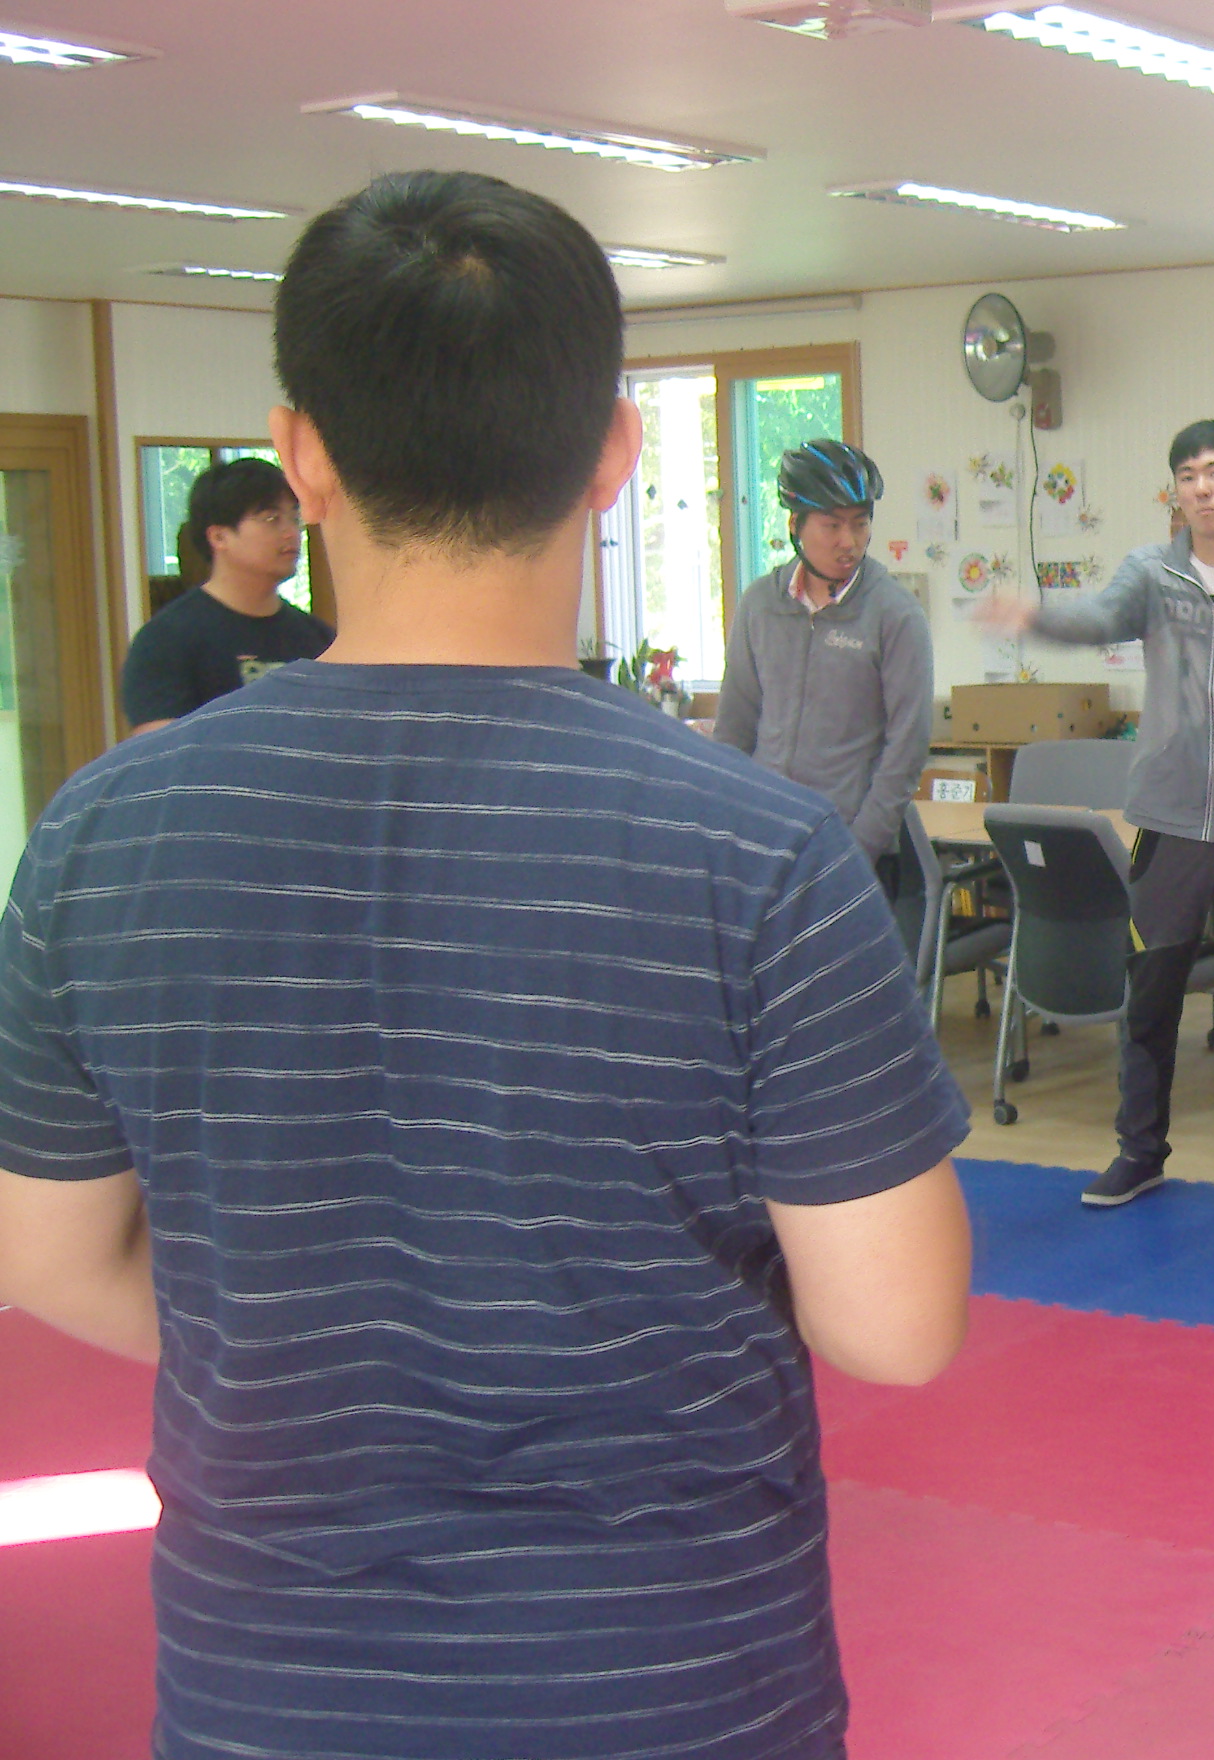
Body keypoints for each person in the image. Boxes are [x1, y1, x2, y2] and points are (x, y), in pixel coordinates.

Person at [0, 169, 973, 1760]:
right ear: (613, 451)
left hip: (271, 1689)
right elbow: (897, 1323)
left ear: (304, 454)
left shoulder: (101, 833)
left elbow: (44, 1256)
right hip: (670, 1688)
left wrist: (315, 1345)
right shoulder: (757, 854)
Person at [984, 419, 1214, 1222]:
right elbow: (1099, 619)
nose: (1202, 489)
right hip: (1168, 823)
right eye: (1187, 476)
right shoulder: (1151, 572)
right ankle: (1139, 1153)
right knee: (1150, 1000)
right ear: (1175, 492)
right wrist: (1034, 616)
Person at [715, 438, 934, 875]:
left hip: (850, 850)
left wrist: (857, 851)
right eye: (831, 525)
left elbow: (906, 751)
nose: (848, 542)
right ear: (795, 524)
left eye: (860, 524)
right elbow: (735, 729)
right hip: (765, 843)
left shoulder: (895, 614)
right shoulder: (760, 605)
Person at [120, 455, 333, 733]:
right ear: (219, 537)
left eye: (294, 518)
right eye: (271, 519)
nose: (291, 533)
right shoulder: (165, 640)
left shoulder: (318, 638)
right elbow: (160, 748)